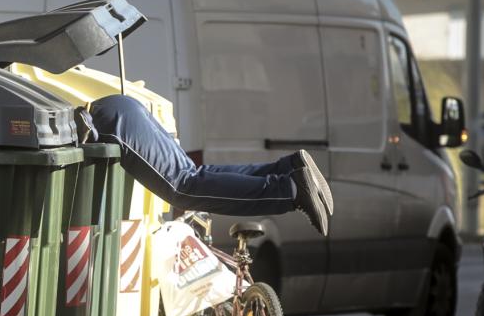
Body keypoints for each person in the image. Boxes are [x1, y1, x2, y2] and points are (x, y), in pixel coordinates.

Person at [74, 95, 333, 236]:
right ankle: (288, 168)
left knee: (184, 189)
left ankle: (291, 190)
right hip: (121, 107)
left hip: (113, 121)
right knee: (194, 176)